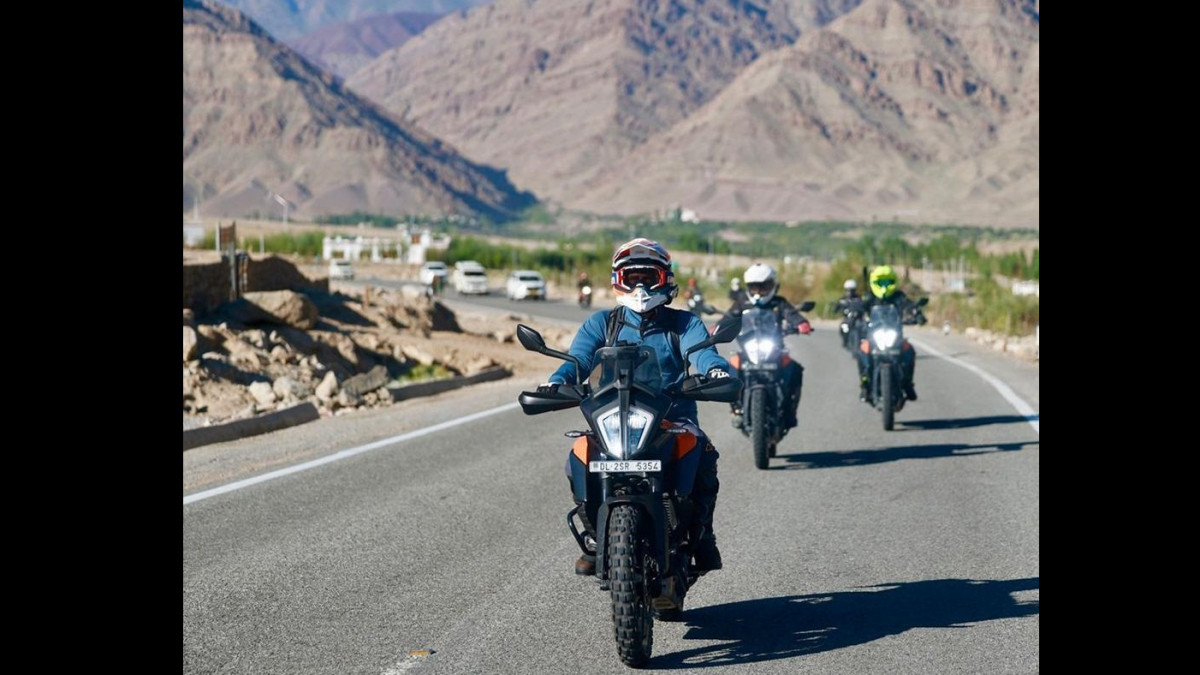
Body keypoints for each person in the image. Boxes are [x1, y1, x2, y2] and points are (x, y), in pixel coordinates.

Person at [539, 238, 732, 576]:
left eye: (648, 277)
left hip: (672, 420)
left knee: (703, 452)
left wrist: (715, 371)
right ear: (618, 280)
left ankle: (703, 536)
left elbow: (703, 353)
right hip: (613, 419)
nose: (640, 286)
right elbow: (579, 359)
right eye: (632, 278)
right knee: (578, 457)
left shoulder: (685, 324)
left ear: (665, 279)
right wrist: (557, 381)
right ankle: (597, 535)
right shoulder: (602, 323)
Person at [721, 262, 812, 430]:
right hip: (748, 349)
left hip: (774, 350)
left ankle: (791, 411)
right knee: (729, 367)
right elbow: (728, 317)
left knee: (795, 369)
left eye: (763, 287)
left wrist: (802, 323)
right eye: (754, 287)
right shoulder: (742, 302)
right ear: (748, 287)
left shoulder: (779, 303)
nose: (758, 291)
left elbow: (792, 315)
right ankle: (735, 408)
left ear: (773, 286)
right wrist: (718, 328)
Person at [857, 265, 927, 401]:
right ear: (873, 283)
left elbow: (908, 305)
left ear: (893, 282)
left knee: (909, 350)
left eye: (887, 282)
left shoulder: (898, 296)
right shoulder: (869, 297)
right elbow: (860, 306)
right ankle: (865, 384)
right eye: (880, 282)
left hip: (894, 333)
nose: (884, 286)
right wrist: (853, 309)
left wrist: (916, 313)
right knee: (862, 350)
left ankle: (907, 383)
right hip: (874, 334)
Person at [833, 279, 864, 349]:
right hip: (848, 318)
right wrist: (839, 308)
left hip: (858, 318)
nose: (850, 292)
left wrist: (861, 310)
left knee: (863, 327)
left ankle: (863, 341)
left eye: (852, 290)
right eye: (848, 290)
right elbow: (836, 308)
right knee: (844, 326)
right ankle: (845, 340)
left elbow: (865, 305)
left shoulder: (859, 298)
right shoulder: (842, 299)